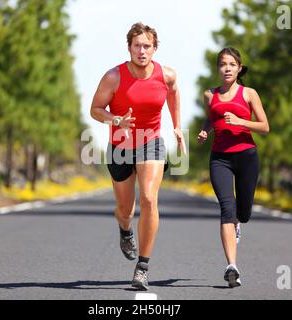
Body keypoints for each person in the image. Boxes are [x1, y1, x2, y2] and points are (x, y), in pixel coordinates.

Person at [90, 22, 185, 290]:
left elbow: (174, 93)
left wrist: (177, 125)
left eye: (147, 46)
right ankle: (124, 230)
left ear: (155, 49)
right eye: (137, 46)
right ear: (129, 48)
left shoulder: (166, 75)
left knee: (149, 198)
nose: (141, 51)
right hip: (120, 145)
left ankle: (142, 266)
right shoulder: (114, 77)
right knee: (125, 210)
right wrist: (115, 119)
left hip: (151, 142)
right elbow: (95, 109)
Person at [197, 47, 269, 288]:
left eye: (231, 64)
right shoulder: (210, 94)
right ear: (218, 68)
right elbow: (212, 117)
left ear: (239, 68)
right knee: (227, 207)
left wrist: (240, 121)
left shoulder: (249, 93)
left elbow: (265, 126)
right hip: (220, 158)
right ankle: (232, 267)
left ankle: (239, 221)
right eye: (222, 64)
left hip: (247, 156)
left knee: (244, 212)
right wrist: (206, 130)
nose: (226, 68)